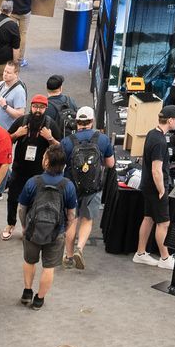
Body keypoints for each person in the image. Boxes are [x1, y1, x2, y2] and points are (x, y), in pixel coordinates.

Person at [17, 148, 78, 309]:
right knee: (48, 267)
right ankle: (39, 299)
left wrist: (24, 226)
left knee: (29, 261)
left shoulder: (33, 182)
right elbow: (71, 213)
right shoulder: (68, 185)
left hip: (32, 230)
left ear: (46, 162)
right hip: (56, 232)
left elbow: (22, 208)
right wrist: (65, 229)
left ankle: (27, 292)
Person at [60, 106, 115, 270]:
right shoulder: (103, 139)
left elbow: (60, 165)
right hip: (93, 186)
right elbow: (110, 164)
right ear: (92, 121)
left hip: (71, 186)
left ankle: (69, 256)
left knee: (71, 220)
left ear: (77, 122)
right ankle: (80, 248)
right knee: (87, 219)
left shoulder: (67, 141)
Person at [135, 105, 175, 268]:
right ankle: (165, 258)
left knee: (148, 218)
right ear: (170, 120)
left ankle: (140, 253)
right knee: (163, 223)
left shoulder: (152, 133)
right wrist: (162, 189)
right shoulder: (160, 141)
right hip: (156, 188)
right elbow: (156, 170)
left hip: (148, 186)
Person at [4, 95, 58, 240]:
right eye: (35, 107)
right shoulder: (21, 121)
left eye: (41, 107)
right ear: (31, 107)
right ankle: (10, 224)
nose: (38, 110)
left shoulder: (50, 124)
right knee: (12, 198)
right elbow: (4, 140)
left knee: (35, 201)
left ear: (46, 108)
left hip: (39, 171)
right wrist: (17, 134)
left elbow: (60, 147)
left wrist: (50, 138)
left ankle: (28, 227)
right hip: (19, 168)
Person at [0, 61, 30, 131]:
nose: (5, 74)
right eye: (5, 71)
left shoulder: (19, 91)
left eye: (8, 73)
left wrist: (5, 106)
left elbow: (20, 114)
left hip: (6, 131)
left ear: (16, 74)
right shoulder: (1, 84)